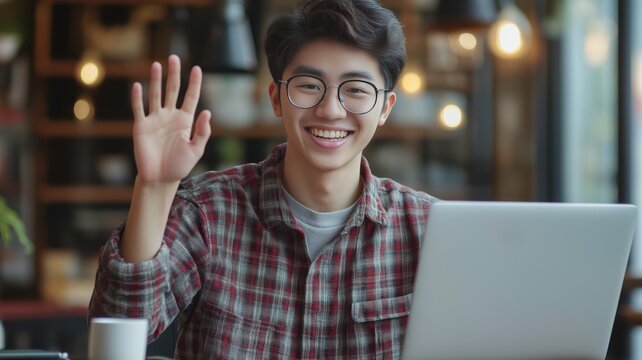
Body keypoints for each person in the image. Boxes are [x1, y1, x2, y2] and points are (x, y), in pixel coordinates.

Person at [88, 0, 437, 358]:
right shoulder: (210, 211)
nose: (331, 110)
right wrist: (155, 186)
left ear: (385, 108)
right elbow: (122, 324)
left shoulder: (430, 228)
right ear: (276, 98)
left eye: (356, 90)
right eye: (308, 85)